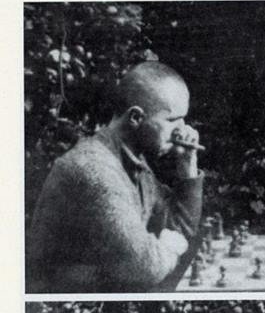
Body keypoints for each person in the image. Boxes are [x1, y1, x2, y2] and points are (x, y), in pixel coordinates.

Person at [28, 61, 203, 292]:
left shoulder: (131, 160)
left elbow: (176, 228)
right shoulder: (95, 169)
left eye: (183, 119)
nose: (183, 131)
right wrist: (170, 246)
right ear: (135, 118)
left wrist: (187, 166)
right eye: (172, 120)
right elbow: (145, 268)